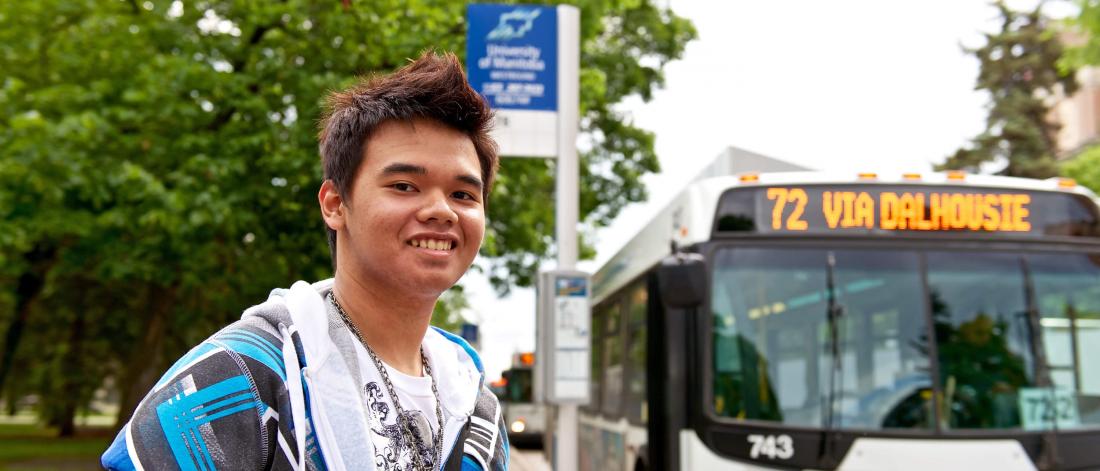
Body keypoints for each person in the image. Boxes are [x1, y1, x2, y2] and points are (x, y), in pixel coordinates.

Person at [102, 51, 509, 471]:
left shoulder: (478, 409)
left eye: (463, 194)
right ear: (335, 204)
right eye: (405, 185)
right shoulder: (238, 379)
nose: (441, 210)